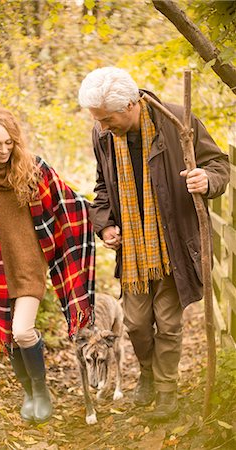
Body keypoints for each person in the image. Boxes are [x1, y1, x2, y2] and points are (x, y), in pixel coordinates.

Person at [78, 67, 230, 420]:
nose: (102, 126)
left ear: (130, 104)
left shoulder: (178, 122)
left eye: (106, 118)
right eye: (97, 120)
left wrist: (206, 178)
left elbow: (220, 165)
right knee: (135, 323)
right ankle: (146, 374)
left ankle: (165, 390)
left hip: (174, 245)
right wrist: (105, 225)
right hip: (133, 250)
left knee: (169, 323)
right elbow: (102, 188)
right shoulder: (103, 137)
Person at [0, 107, 95, 424]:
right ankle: (28, 392)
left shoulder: (34, 170)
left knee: (23, 331)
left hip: (29, 267)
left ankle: (40, 391)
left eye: (8, 143)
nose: (3, 150)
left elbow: (71, 203)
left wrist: (106, 218)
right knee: (10, 336)